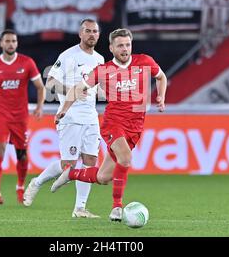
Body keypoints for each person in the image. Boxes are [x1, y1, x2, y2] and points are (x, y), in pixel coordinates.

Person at [50, 28, 167, 221]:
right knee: (126, 158)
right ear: (111, 48)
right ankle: (117, 207)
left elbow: (161, 77)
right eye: (120, 45)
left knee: (104, 177)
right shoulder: (103, 71)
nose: (125, 49)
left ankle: (71, 174)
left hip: (135, 126)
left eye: (128, 45)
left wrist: (161, 96)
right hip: (113, 123)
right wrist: (63, 109)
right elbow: (78, 88)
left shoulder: (144, 61)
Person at [23, 19, 105, 218]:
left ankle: (80, 208)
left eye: (95, 31)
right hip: (70, 116)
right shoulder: (68, 56)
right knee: (67, 165)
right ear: (80, 33)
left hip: (91, 118)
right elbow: (50, 82)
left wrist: (106, 93)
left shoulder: (100, 59)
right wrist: (72, 91)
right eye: (88, 31)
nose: (92, 34)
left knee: (90, 162)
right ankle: (37, 182)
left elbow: (98, 89)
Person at [0, 29, 46, 205]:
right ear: (1, 43)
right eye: (7, 41)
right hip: (0, 115)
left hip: (20, 116)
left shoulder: (27, 63)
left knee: (21, 154)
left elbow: (40, 87)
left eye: (13, 41)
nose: (10, 44)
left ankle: (20, 187)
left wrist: (39, 106)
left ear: (17, 43)